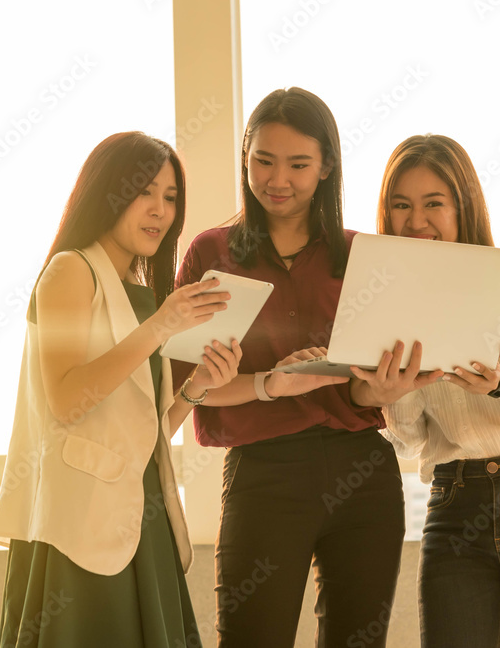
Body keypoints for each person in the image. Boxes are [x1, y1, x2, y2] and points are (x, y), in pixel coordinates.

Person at [171, 87, 407, 647]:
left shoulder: (362, 256)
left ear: (326, 166)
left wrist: (374, 393)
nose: (279, 179)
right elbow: (188, 389)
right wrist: (272, 385)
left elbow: (369, 390)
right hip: (263, 474)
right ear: (246, 157)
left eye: (299, 164)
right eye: (263, 161)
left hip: (363, 474)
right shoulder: (211, 253)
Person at [0, 131, 243, 647]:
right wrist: (161, 326)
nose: (159, 210)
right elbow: (66, 400)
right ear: (107, 193)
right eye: (143, 192)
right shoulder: (70, 272)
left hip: (143, 520)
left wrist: (197, 387)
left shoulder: (143, 294)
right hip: (80, 525)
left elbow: (141, 429)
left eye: (170, 197)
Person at [356, 133, 500, 648]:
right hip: (455, 500)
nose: (416, 221)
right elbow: (412, 438)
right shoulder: (388, 301)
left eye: (433, 203)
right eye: (401, 205)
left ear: (464, 205)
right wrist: (392, 392)